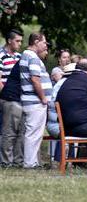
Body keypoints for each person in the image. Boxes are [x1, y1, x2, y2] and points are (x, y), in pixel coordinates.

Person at [20, 33, 52, 168]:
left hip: (31, 101)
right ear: (36, 42)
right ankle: (30, 163)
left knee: (34, 133)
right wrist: (43, 98)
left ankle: (32, 162)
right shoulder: (32, 57)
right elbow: (35, 79)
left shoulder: (27, 55)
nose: (46, 46)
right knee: (33, 134)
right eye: (44, 43)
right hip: (35, 102)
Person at [0, 29, 23, 159]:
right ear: (9, 41)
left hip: (19, 98)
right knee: (8, 130)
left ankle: (17, 159)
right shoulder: (1, 55)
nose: (20, 44)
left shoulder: (19, 57)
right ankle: (5, 160)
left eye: (21, 41)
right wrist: (7, 95)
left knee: (19, 130)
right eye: (17, 41)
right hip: (7, 98)